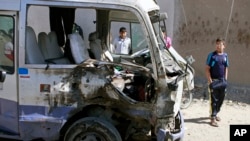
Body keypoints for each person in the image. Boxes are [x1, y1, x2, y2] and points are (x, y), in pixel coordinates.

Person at [205, 38, 229, 127]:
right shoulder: (212, 56)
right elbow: (207, 69)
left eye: (220, 44)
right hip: (214, 81)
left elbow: (226, 67)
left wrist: (225, 79)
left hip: (222, 81)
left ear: (224, 46)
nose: (218, 45)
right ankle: (213, 118)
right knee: (214, 100)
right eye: (217, 44)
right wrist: (210, 82)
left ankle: (216, 113)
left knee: (221, 99)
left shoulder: (225, 56)